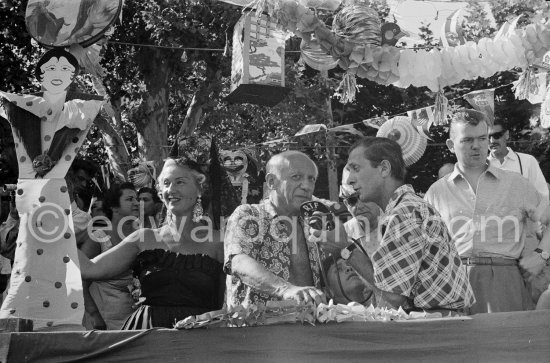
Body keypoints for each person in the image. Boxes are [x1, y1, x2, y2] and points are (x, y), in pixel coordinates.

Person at [0, 48, 104, 329]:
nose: (58, 76)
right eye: (51, 70)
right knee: (26, 264)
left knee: (58, 263)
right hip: (30, 194)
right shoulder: (19, 107)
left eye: (65, 71)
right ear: (40, 74)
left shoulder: (80, 110)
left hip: (56, 198)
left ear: (72, 78)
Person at [425, 108, 550, 314]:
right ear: (450, 145)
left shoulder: (516, 184)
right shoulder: (436, 192)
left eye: (482, 138)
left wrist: (542, 254)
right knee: (459, 345)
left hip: (504, 280)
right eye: (467, 140)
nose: (477, 145)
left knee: (504, 345)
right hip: (451, 284)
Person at [79, 158, 225, 329]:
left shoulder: (220, 241)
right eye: (166, 183)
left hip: (200, 339)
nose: (171, 189)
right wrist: (62, 234)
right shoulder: (143, 238)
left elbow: (230, 302)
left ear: (200, 188)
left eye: (180, 182)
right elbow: (89, 269)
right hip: (146, 337)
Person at [337, 137, 474, 312]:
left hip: (436, 326)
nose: (350, 180)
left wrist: (346, 249)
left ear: (384, 168)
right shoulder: (407, 207)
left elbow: (393, 296)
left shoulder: (404, 213)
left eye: (356, 168)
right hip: (441, 321)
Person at [224, 151, 326, 308]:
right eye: (296, 177)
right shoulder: (249, 214)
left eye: (311, 179)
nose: (306, 186)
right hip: (256, 329)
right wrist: (286, 289)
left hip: (309, 328)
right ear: (271, 181)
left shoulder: (314, 225)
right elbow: (238, 262)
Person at [80, 182, 139, 330]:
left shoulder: (143, 237)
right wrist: (94, 315)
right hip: (103, 321)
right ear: (114, 207)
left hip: (137, 319)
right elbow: (80, 280)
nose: (136, 203)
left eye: (137, 199)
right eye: (130, 199)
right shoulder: (99, 238)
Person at [488, 118, 549, 201]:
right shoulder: (479, 167)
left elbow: (543, 196)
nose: (492, 141)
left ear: (507, 134)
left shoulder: (528, 161)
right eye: (486, 137)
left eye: (496, 135)